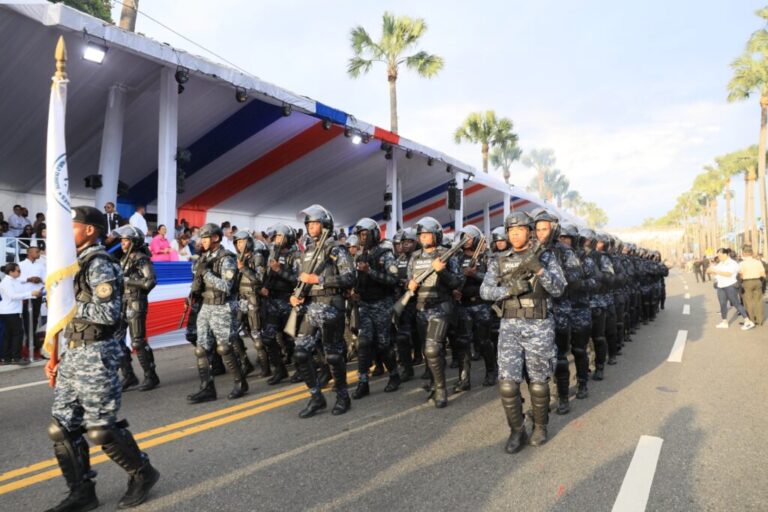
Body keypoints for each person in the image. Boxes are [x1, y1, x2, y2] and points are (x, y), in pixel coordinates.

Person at [44, 206, 159, 511]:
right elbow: (61, 318)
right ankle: (82, 492)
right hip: (73, 351)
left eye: (72, 226)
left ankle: (143, 473)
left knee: (100, 428)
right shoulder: (71, 264)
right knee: (61, 427)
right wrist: (53, 356)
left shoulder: (99, 264)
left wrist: (68, 303)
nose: (64, 233)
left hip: (97, 353)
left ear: (90, 230)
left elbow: (107, 314)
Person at [480, 211, 566, 454]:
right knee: (507, 384)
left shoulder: (546, 257)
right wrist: (508, 291)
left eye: (520, 230)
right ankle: (517, 430)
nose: (515, 234)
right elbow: (485, 291)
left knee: (538, 381)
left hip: (539, 325)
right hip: (509, 326)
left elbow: (559, 289)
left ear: (529, 232)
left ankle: (540, 426)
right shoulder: (499, 260)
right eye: (511, 230)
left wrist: (539, 270)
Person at [290, 205, 356, 418]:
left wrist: (319, 279)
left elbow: (349, 278)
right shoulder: (307, 251)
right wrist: (296, 295)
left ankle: (343, 396)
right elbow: (302, 280)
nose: (311, 227)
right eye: (309, 223)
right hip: (310, 308)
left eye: (315, 223)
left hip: (331, 306)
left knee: (334, 356)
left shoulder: (336, 249)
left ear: (325, 225)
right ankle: (316, 397)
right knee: (300, 353)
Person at [406, 216, 464, 409]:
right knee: (428, 351)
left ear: (436, 235)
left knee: (432, 348)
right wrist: (409, 285)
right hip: (421, 308)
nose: (423, 237)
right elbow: (409, 280)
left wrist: (441, 271)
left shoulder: (447, 255)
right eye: (421, 234)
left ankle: (441, 389)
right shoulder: (415, 257)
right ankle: (433, 383)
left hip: (441, 307)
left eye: (427, 234)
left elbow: (457, 282)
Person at [187, 223, 248, 403]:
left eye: (205, 238)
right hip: (206, 305)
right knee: (201, 349)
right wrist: (192, 294)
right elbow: (199, 282)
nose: (202, 241)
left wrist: (206, 274)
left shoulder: (226, 258)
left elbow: (227, 287)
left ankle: (240, 383)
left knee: (224, 347)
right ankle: (207, 388)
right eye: (201, 238)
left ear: (215, 238)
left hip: (222, 306)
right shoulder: (203, 257)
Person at [349, 217, 401, 400]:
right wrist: (354, 292)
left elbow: (393, 279)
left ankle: (394, 375)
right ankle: (363, 382)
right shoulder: (360, 256)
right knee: (363, 343)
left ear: (374, 234)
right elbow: (358, 280)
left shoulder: (385, 254)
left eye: (365, 234)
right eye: (360, 235)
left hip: (382, 304)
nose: (363, 238)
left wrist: (370, 271)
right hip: (364, 304)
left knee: (383, 344)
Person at [115, 225, 160, 392]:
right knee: (116, 340)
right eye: (122, 240)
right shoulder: (123, 259)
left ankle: (151, 376)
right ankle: (129, 376)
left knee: (137, 341)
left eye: (125, 240)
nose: (122, 243)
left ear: (134, 241)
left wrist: (129, 281)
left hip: (136, 302)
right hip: (122, 302)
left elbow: (150, 281)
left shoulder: (141, 258)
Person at [453, 224, 496, 390]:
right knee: (463, 342)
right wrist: (454, 290)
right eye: (464, 237)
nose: (466, 241)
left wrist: (475, 274)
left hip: (481, 304)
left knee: (484, 341)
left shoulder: (486, 257)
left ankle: (491, 372)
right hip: (463, 305)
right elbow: (452, 277)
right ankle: (464, 379)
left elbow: (494, 278)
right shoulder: (456, 258)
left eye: (469, 238)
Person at [259, 224, 299, 386]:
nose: (277, 239)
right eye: (276, 236)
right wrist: (265, 286)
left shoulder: (295, 256)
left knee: (291, 339)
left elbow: (298, 280)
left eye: (280, 236)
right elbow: (268, 274)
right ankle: (280, 370)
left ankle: (301, 369)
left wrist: (279, 270)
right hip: (272, 302)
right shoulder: (272, 254)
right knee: (267, 338)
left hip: (288, 301)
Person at [233, 230, 267, 377]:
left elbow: (259, 278)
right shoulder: (237, 258)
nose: (239, 245)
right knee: (232, 333)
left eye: (242, 241)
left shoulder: (257, 257)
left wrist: (243, 268)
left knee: (256, 335)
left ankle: (266, 367)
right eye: (237, 242)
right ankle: (245, 363)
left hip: (253, 298)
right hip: (240, 299)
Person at [392, 228, 422, 380]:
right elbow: (393, 278)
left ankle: (426, 365)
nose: (406, 245)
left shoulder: (421, 258)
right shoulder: (399, 260)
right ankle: (407, 368)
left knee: (422, 335)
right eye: (403, 242)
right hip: (405, 302)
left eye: (410, 242)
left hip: (420, 300)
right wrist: (401, 283)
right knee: (402, 337)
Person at [0, 263, 41, 365]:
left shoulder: (15, 281)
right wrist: (31, 294)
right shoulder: (6, 282)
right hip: (9, 311)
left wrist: (34, 294)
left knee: (9, 334)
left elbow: (22, 289)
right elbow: (13, 296)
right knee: (17, 333)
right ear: (11, 272)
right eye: (18, 271)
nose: (20, 273)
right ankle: (16, 357)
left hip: (12, 311)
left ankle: (7, 357)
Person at [708, 248, 754, 330]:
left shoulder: (733, 263)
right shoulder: (720, 263)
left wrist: (716, 271)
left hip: (730, 286)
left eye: (720, 255)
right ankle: (724, 322)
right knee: (722, 304)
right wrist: (710, 269)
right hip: (720, 286)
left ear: (725, 254)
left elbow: (728, 274)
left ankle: (748, 321)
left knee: (736, 303)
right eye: (718, 256)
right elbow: (711, 272)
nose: (719, 257)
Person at [20, 245, 46, 360]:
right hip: (25, 296)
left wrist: (39, 279)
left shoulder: (41, 266)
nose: (38, 254)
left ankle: (32, 344)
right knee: (27, 321)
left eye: (39, 252)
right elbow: (15, 279)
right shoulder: (20, 265)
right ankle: (31, 343)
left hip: (37, 296)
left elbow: (46, 279)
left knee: (34, 320)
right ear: (29, 253)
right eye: (36, 252)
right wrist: (29, 279)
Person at [738, 245, 765, 326]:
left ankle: (751, 320)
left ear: (744, 253)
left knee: (748, 302)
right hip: (757, 281)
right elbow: (762, 274)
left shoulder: (742, 263)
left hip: (747, 282)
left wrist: (741, 282)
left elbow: (741, 275)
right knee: (758, 301)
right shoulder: (758, 262)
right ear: (752, 253)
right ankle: (760, 320)